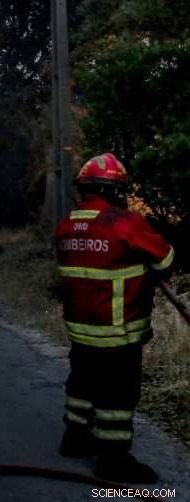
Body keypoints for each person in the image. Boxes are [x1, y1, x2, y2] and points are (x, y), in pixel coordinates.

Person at [55, 153, 174, 483]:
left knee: (81, 383)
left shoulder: (65, 226)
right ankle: (113, 460)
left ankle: (74, 439)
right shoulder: (125, 223)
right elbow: (166, 261)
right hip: (118, 333)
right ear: (116, 190)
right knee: (118, 397)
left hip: (80, 332)